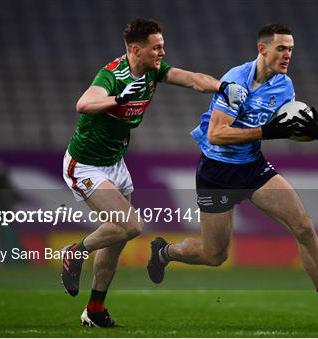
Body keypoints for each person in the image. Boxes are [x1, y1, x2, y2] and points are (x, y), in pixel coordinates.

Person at [147, 23, 318, 329]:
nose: (288, 54)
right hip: (217, 172)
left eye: (291, 49)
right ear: (262, 49)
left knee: (303, 225)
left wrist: (313, 134)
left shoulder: (284, 86)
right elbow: (216, 134)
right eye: (281, 48)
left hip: (252, 167)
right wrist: (266, 132)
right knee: (214, 256)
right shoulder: (237, 81)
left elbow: (287, 126)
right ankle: (165, 251)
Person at [61, 18, 247, 328]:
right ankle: (75, 253)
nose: (162, 52)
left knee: (116, 240)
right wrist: (118, 99)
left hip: (115, 164)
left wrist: (224, 87)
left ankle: (94, 309)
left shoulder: (153, 71)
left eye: (162, 46)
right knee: (131, 225)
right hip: (85, 164)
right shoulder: (112, 75)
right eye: (156, 47)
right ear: (137, 49)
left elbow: (193, 79)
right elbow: (83, 104)